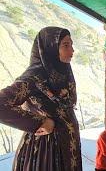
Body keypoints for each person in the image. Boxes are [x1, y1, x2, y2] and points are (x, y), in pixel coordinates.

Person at [0, 27, 82, 170]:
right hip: (45, 153)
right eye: (66, 45)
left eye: (71, 45)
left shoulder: (62, 72)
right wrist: (41, 121)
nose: (72, 51)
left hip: (68, 148)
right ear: (50, 48)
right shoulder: (34, 77)